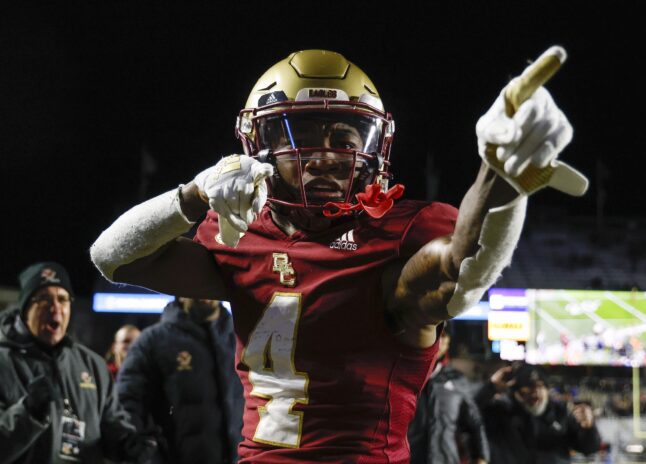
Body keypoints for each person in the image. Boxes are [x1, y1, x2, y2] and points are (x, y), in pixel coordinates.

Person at [90, 48, 576, 462]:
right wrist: (195, 194)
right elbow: (111, 256)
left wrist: (500, 179)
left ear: (372, 150)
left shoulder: (397, 235)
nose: (323, 155)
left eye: (344, 140)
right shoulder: (239, 234)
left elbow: (462, 271)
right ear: (260, 148)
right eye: (301, 136)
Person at [0, 261, 154, 463]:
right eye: (44, 299)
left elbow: (112, 426)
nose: (55, 308)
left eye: (63, 299)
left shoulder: (92, 365)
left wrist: (128, 445)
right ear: (25, 309)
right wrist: (28, 413)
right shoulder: (4, 363)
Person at [116, 297, 244, 464]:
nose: (203, 289)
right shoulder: (152, 342)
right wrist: (148, 455)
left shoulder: (243, 339)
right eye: (196, 280)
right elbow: (127, 407)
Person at [475, 363, 601, 464]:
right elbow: (469, 414)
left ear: (547, 390)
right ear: (516, 392)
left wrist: (589, 428)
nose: (535, 391)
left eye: (540, 386)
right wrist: (491, 386)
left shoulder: (561, 413)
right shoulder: (500, 412)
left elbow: (589, 448)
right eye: (528, 386)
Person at [408, 323, 489, 464]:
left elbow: (475, 423)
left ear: (448, 342)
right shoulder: (405, 375)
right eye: (435, 333)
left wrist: (481, 457)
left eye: (443, 335)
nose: (438, 339)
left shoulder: (457, 380)